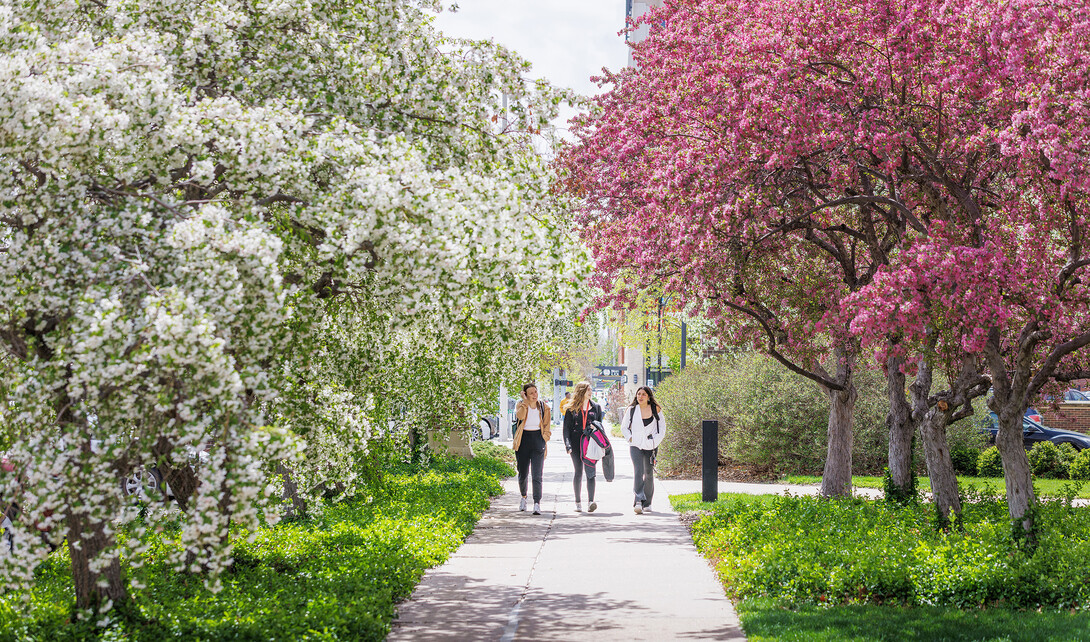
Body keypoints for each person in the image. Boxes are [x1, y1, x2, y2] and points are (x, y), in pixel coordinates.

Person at [620, 386, 666, 514]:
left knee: (649, 473)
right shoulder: (632, 410)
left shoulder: (656, 409)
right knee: (638, 471)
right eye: (638, 394)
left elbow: (662, 428)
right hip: (635, 445)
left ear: (649, 396)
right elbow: (624, 427)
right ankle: (638, 500)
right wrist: (630, 438)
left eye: (643, 394)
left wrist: (655, 441)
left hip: (651, 446)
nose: (640, 396)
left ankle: (648, 502)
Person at [563, 381, 604, 513]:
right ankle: (578, 502)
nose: (591, 392)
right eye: (588, 390)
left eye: (591, 390)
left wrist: (595, 427)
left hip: (590, 442)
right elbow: (566, 428)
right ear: (581, 391)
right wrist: (567, 445)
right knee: (578, 471)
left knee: (591, 471)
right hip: (575, 442)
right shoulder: (571, 408)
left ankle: (591, 501)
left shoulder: (596, 407)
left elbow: (600, 426)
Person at [514, 383, 551, 515]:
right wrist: (524, 402)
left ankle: (537, 503)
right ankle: (524, 497)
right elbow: (520, 416)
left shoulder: (543, 407)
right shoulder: (521, 405)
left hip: (537, 439)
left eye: (535, 392)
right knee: (523, 473)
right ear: (525, 394)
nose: (534, 395)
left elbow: (547, 425)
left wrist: (545, 438)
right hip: (523, 441)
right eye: (531, 393)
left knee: (537, 474)